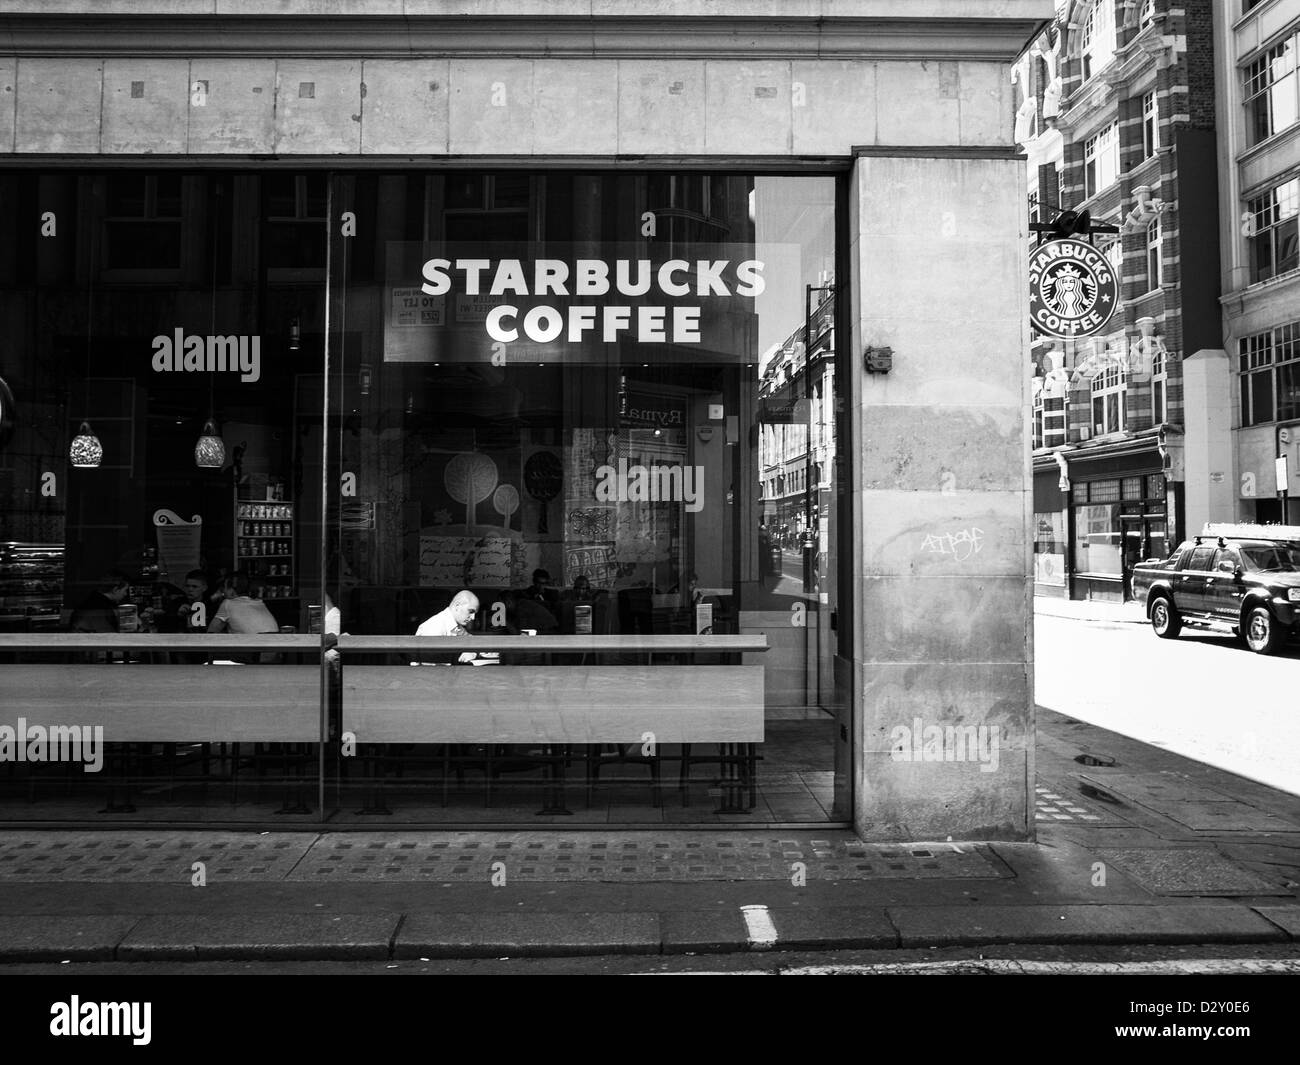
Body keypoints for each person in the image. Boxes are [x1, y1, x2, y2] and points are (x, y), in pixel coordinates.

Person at [415, 589, 485, 664]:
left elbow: (473, 641)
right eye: (471, 611)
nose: (473, 617)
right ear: (457, 606)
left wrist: (473, 652)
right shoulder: (435, 626)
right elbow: (430, 667)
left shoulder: (454, 625)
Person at [207, 572, 279, 635]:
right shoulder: (259, 602)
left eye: (224, 588)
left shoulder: (227, 603)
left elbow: (211, 633)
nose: (223, 592)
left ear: (232, 591)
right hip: (275, 646)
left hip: (254, 647)